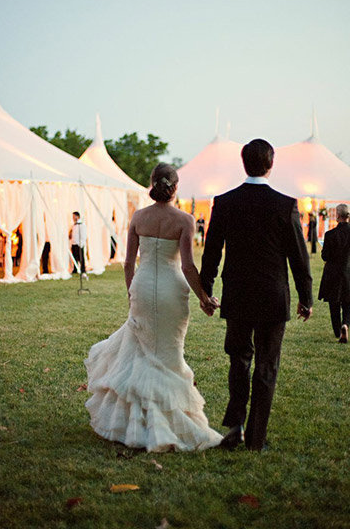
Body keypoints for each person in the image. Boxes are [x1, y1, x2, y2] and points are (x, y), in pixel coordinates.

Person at [84, 163, 222, 452]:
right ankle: (166, 423)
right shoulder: (185, 219)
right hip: (172, 291)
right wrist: (204, 297)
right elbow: (187, 266)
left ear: (152, 183)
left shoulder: (139, 217)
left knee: (143, 352)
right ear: (175, 186)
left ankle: (135, 423)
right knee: (169, 353)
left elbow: (127, 263)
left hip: (143, 287)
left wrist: (132, 292)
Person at [200, 139, 313, 451]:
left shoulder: (224, 202)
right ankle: (256, 438)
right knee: (267, 366)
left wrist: (206, 290)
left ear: (243, 162)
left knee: (239, 361)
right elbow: (298, 256)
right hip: (273, 297)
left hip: (237, 294)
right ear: (271, 163)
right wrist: (306, 297)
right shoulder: (284, 204)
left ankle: (235, 428)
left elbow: (211, 252)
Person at [318, 203, 350, 344]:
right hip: (348, 272)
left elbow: (325, 256)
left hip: (333, 274)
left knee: (334, 303)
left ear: (337, 216)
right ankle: (346, 324)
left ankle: (338, 331)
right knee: (348, 303)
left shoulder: (330, 235)